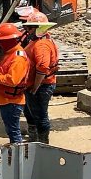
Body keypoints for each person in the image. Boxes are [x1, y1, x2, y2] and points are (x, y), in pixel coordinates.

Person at [0, 23, 31, 145]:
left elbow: (12, 80)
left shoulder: (18, 58)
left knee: (13, 131)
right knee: (11, 129)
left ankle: (17, 154)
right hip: (7, 99)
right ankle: (15, 150)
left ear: (9, 41)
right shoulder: (11, 53)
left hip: (11, 102)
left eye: (1, 41)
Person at [21, 10, 58, 145]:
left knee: (40, 115)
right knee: (30, 113)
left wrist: (35, 87)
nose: (27, 30)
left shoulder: (41, 45)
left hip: (41, 86)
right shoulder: (38, 40)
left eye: (30, 27)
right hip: (34, 85)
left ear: (39, 28)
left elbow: (42, 68)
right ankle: (34, 139)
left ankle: (42, 144)